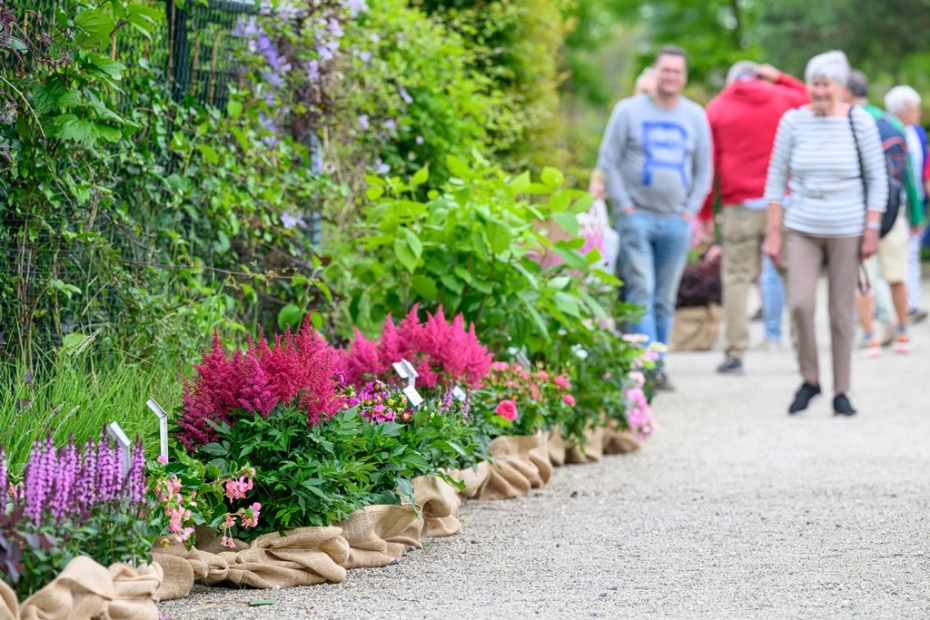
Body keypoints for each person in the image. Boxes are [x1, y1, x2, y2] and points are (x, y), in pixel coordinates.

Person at [763, 50, 888, 416]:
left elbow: (877, 178)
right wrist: (773, 232)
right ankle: (810, 379)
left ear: (840, 87)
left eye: (826, 85)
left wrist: (871, 229)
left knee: (839, 312)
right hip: (803, 225)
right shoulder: (792, 122)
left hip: (847, 226)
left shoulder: (858, 122)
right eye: (814, 84)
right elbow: (775, 177)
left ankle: (841, 390)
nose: (819, 91)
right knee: (801, 304)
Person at [598, 45, 713, 390]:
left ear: (684, 76)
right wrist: (625, 206)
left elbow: (705, 170)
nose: (671, 76)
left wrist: (689, 212)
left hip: (676, 223)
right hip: (637, 219)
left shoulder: (695, 116)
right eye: (665, 70)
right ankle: (647, 370)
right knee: (640, 290)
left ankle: (656, 365)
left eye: (677, 71)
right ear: (655, 72)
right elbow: (609, 161)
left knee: (663, 298)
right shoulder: (628, 111)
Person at [702, 60, 809, 375]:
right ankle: (804, 350)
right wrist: (780, 76)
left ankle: (735, 354)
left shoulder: (717, 107)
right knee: (793, 274)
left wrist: (707, 211)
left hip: (740, 205)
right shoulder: (782, 98)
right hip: (784, 203)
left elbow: (710, 164)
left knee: (735, 277)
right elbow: (807, 94)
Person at [845, 72, 922, 357]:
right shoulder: (890, 123)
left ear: (846, 92)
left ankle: (868, 336)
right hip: (894, 212)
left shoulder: (847, 121)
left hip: (861, 213)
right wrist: (915, 214)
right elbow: (909, 176)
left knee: (863, 276)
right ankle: (902, 333)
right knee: (896, 275)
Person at [884, 85, 929, 325]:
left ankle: (911, 304)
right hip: (893, 205)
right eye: (914, 109)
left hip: (916, 201)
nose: (918, 113)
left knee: (911, 253)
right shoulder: (887, 129)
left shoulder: (919, 133)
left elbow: (920, 174)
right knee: (894, 257)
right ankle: (893, 309)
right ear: (900, 110)